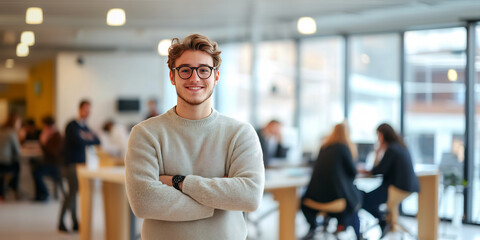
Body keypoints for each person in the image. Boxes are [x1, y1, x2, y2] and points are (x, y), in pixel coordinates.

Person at [125, 33, 264, 240]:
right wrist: (219, 200)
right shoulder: (145, 133)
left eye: (203, 70)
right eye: (185, 70)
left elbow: (250, 197)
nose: (195, 78)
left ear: (216, 77)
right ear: (172, 76)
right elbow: (143, 201)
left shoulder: (240, 134)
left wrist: (178, 182)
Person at [300, 122, 363, 240]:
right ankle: (357, 234)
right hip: (336, 201)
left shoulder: (324, 148)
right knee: (355, 199)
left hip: (313, 200)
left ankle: (315, 227)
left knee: (349, 194)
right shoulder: (344, 147)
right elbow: (353, 172)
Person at [360, 123, 419, 237]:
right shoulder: (400, 146)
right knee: (368, 198)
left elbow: (379, 170)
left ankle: (383, 221)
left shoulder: (391, 149)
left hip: (395, 188)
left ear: (381, 135)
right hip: (407, 187)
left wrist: (377, 152)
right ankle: (387, 222)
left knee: (364, 200)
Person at [58, 100, 100, 232]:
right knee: (71, 194)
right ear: (80, 109)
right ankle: (61, 222)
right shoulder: (72, 125)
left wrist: (85, 136)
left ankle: (75, 222)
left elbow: (97, 140)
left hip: (81, 165)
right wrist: (86, 137)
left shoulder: (84, 127)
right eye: (85, 109)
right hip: (71, 164)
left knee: (74, 193)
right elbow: (79, 141)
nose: (87, 112)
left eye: (89, 110)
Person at [32, 116, 64, 202]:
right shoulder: (52, 136)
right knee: (34, 166)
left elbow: (53, 152)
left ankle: (45, 193)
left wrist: (43, 142)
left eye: (45, 127)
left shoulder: (58, 136)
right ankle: (39, 195)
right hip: (50, 163)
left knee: (37, 172)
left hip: (55, 166)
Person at [0, 113, 22, 201]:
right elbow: (18, 151)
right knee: (17, 166)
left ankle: (3, 192)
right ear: (14, 123)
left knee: (2, 175)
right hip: (5, 162)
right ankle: (13, 187)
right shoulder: (11, 133)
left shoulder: (1, 130)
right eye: (19, 123)